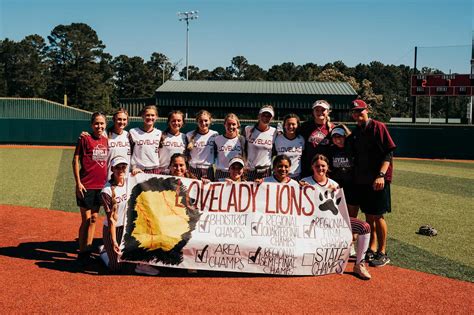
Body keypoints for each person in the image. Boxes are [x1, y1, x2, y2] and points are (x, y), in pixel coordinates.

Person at [301, 154, 372, 280]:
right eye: (317, 166)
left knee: (364, 227)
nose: (320, 168)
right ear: (312, 166)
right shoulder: (304, 182)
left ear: (328, 167)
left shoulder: (334, 185)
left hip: (332, 221)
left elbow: (341, 211)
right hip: (312, 222)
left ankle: (359, 265)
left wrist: (346, 230)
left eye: (323, 166)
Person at [350, 99, 396, 268]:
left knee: (378, 216)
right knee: (369, 216)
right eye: (355, 112)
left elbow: (388, 153)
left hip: (378, 179)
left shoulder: (378, 127)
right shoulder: (356, 131)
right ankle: (372, 248)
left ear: (367, 110)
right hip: (363, 180)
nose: (358, 114)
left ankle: (383, 252)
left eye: (360, 111)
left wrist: (381, 175)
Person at [100, 155, 161, 275]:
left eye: (123, 167)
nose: (121, 170)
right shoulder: (106, 191)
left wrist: (140, 172)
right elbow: (111, 220)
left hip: (129, 228)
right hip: (114, 229)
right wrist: (113, 241)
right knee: (116, 268)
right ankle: (104, 252)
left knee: (129, 264)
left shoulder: (130, 180)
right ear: (112, 169)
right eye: (117, 167)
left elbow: (146, 182)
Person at [72, 112, 109, 264]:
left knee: (94, 218)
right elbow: (75, 160)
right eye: (96, 123)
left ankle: (88, 246)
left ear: (105, 125)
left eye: (102, 123)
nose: (99, 126)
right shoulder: (85, 139)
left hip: (101, 186)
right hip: (86, 186)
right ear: (91, 124)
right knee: (86, 219)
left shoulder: (107, 140)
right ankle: (82, 251)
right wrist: (78, 183)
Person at [299, 100, 334, 178]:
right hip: (308, 168)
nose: (320, 112)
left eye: (323, 110)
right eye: (317, 110)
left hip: (324, 169)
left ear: (328, 112)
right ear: (313, 112)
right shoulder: (305, 126)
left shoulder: (332, 128)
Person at [244, 105, 277, 181]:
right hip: (250, 171)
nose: (266, 117)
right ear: (259, 116)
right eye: (263, 115)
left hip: (265, 171)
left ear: (272, 118)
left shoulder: (274, 132)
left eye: (269, 116)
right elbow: (243, 149)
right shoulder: (248, 129)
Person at [128, 105, 162, 175]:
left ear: (156, 117)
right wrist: (133, 167)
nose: (150, 117)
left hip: (155, 170)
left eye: (152, 115)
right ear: (142, 116)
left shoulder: (159, 133)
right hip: (138, 170)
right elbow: (129, 152)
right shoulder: (133, 132)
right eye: (147, 115)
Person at [186, 110, 218, 180]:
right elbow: (186, 153)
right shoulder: (189, 135)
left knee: (207, 190)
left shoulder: (215, 135)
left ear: (210, 121)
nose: (203, 123)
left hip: (208, 169)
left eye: (206, 120)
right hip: (193, 169)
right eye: (200, 121)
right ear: (197, 122)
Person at [214, 113, 246, 181]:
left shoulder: (242, 139)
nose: (231, 126)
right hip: (221, 172)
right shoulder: (217, 139)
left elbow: (245, 156)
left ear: (238, 125)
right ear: (224, 125)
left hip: (236, 172)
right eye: (228, 124)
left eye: (234, 124)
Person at [273, 113, 305, 180]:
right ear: (284, 125)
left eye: (293, 124)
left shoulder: (301, 139)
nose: (290, 126)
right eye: (288, 124)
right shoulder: (277, 139)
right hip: (280, 176)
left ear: (297, 125)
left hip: (297, 176)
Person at [106, 108, 131, 178]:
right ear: (114, 120)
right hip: (109, 177)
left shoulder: (129, 135)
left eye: (124, 119)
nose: (122, 122)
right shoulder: (106, 135)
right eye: (119, 119)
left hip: (125, 178)